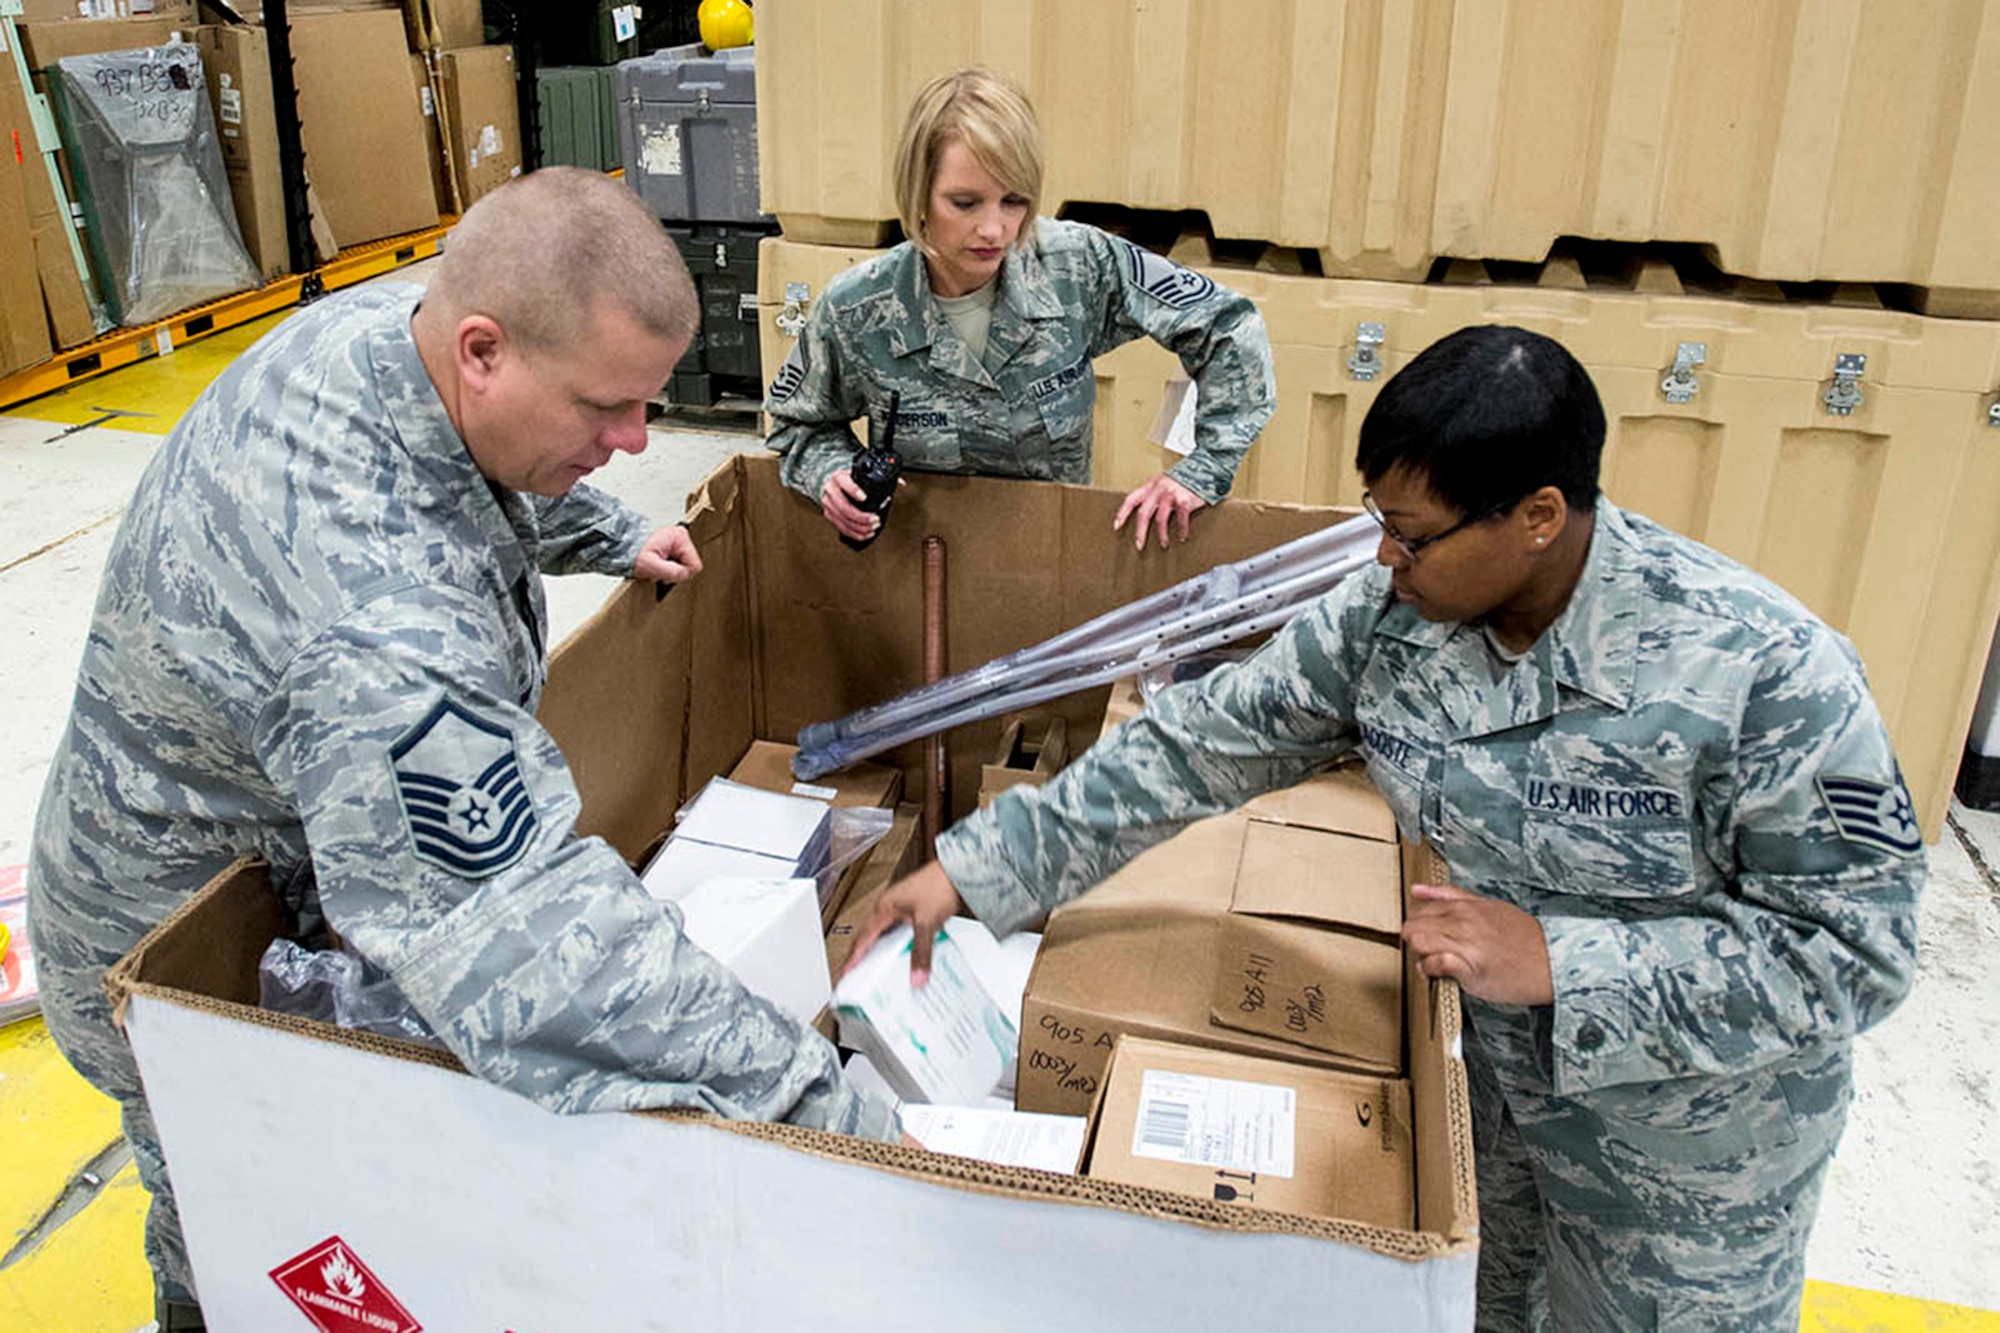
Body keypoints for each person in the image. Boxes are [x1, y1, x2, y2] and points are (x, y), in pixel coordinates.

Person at [851, 325, 1923, 1330]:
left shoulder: (1766, 676)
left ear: (1536, 517)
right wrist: (977, 866)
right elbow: (1194, 745)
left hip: (1685, 1173)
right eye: (1377, 526)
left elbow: (1851, 955)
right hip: (1481, 1124)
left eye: (1409, 539)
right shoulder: (1393, 622)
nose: (1381, 564)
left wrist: (1561, 958)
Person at [28, 168, 897, 1333]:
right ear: (484, 348)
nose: (635, 438)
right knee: (256, 1222)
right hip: (178, 954)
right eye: (605, 412)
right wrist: (820, 1108)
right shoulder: (379, 626)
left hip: (265, 850)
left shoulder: (395, 335)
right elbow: (537, 948)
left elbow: (455, 474)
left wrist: (605, 524)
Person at [764, 66, 1276, 551]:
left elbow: (1228, 325)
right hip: (920, 564)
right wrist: (831, 475)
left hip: (1055, 558)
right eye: (964, 203)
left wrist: (1202, 469)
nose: (994, 230)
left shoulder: (1077, 266)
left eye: (1014, 201)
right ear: (917, 194)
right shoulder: (858, 308)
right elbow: (796, 425)